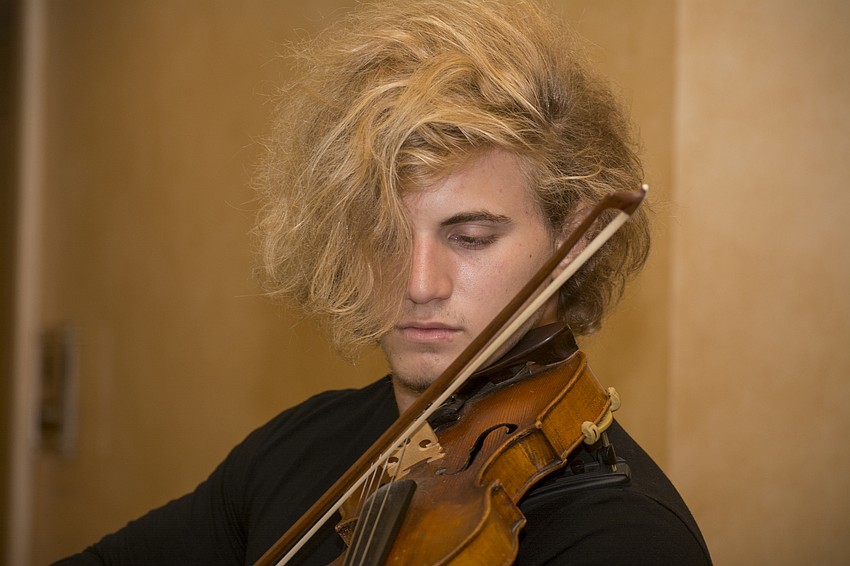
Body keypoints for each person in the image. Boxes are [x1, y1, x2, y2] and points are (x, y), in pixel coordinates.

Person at [58, 0, 711, 564]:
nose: (420, 282)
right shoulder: (304, 447)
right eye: (386, 238)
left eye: (472, 237)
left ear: (569, 241)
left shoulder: (621, 539)